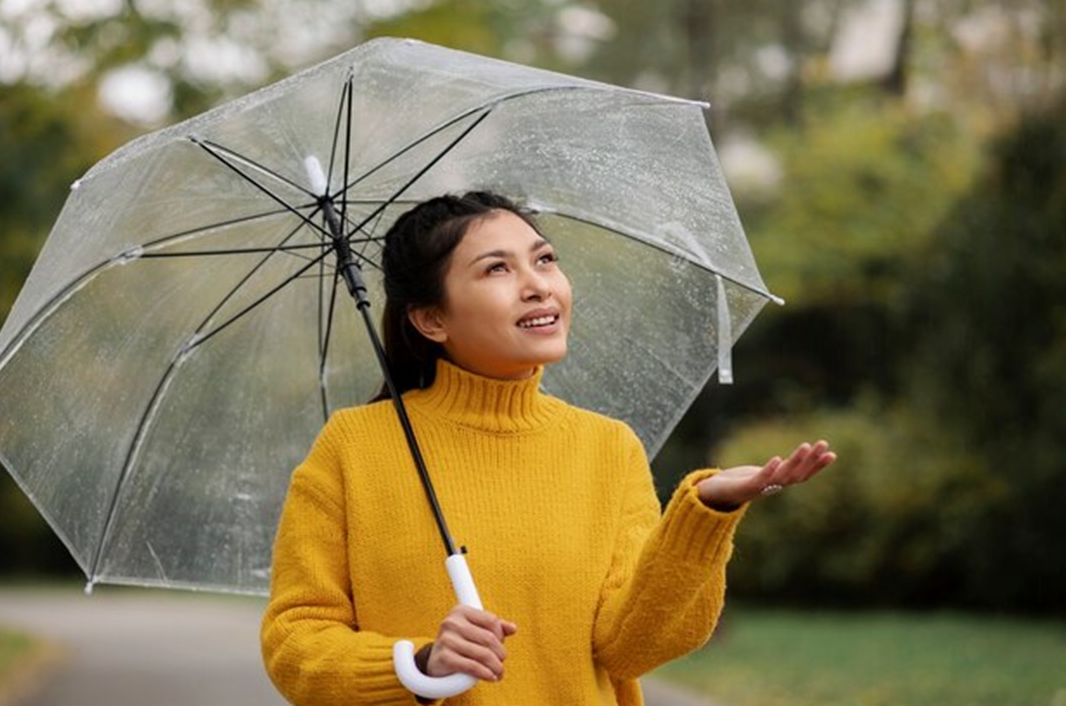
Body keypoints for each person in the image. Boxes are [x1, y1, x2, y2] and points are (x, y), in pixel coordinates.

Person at [261, 191, 836, 705]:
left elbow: (630, 647)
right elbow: (296, 641)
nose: (538, 284)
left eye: (544, 259)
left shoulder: (607, 448)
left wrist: (705, 513)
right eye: (496, 269)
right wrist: (419, 664)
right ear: (432, 319)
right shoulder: (354, 447)